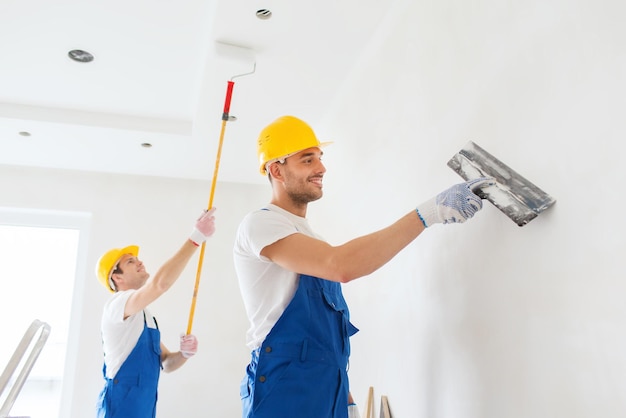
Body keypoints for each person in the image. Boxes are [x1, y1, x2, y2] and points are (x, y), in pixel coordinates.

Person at [234, 115, 492, 418]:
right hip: (284, 386)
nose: (321, 168)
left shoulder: (311, 238)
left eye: (319, 158)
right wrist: (428, 213)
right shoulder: (261, 223)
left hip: (326, 387)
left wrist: (346, 398)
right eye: (307, 160)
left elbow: (324, 347)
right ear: (277, 170)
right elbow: (341, 265)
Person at [95, 208, 216, 418]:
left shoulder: (145, 316)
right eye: (130, 262)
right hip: (119, 409)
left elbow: (167, 363)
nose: (139, 261)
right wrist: (196, 238)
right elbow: (160, 284)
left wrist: (184, 354)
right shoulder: (117, 305)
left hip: (144, 409)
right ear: (117, 278)